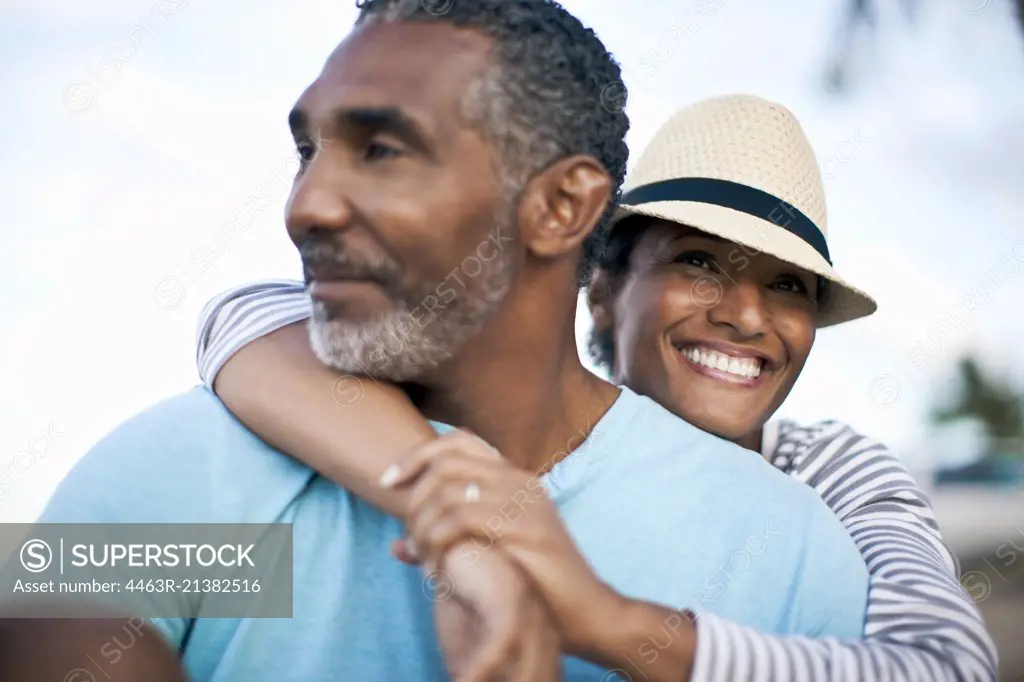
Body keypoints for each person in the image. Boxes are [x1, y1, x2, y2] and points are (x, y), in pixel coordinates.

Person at [28, 2, 870, 681]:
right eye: (306, 151)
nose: (304, 206)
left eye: (382, 149)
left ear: (564, 207)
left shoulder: (792, 554)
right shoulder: (181, 472)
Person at [195, 94, 999, 681]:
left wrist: (607, 622)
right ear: (603, 290)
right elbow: (256, 316)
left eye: (789, 287)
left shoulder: (826, 483)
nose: (747, 314)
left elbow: (944, 668)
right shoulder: (444, 424)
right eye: (698, 262)